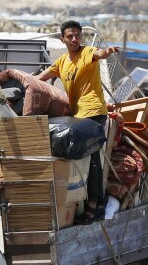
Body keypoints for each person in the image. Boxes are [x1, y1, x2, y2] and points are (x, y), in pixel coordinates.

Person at [37, 19, 119, 224]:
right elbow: (41, 78)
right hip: (78, 115)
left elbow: (100, 54)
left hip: (94, 112)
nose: (74, 39)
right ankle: (86, 202)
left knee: (92, 158)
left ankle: (94, 207)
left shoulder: (88, 52)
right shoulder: (62, 62)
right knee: (82, 158)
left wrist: (107, 52)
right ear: (62, 39)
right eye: (70, 36)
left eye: (77, 35)